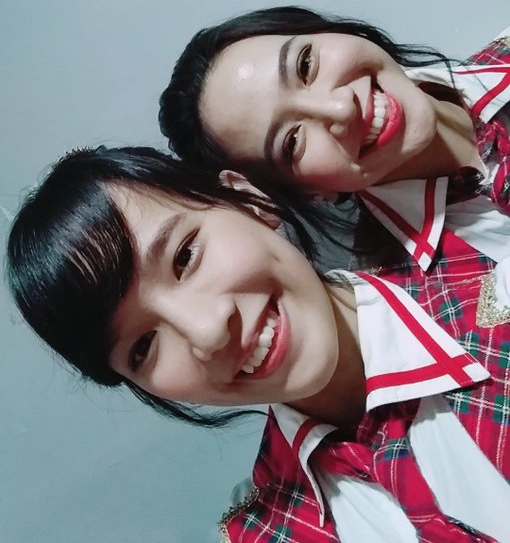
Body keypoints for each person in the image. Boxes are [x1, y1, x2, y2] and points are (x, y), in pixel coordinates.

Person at [7, 146, 510, 542]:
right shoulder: (265, 530)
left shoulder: (490, 275)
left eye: (185, 257)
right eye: (143, 347)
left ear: (249, 199)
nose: (207, 331)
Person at [159, 6, 510, 270]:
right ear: (309, 192)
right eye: (292, 141)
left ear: (334, 32)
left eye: (305, 65)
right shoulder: (413, 305)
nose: (341, 109)